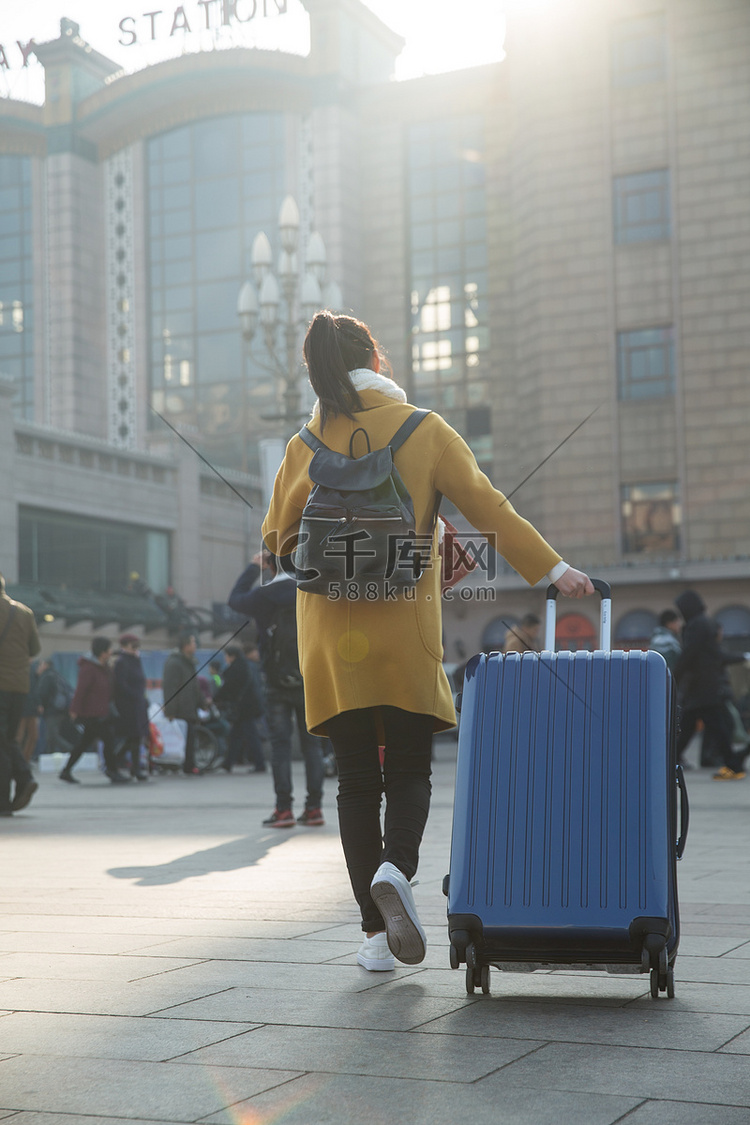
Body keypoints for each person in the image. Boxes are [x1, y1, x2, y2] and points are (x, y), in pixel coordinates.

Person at [261, 311, 594, 972]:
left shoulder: (304, 442)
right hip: (403, 628)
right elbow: (488, 505)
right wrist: (554, 569)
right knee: (410, 765)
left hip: (330, 632)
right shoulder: (424, 428)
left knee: (354, 778)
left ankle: (375, 941)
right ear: (376, 362)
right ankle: (397, 867)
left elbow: (276, 539)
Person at [228, 552, 325, 827]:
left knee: (280, 747)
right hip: (309, 680)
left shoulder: (263, 595)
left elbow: (234, 599)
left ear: (270, 565)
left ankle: (283, 810)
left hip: (275, 682)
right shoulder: (311, 591)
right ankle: (314, 808)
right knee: (313, 746)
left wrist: (252, 567)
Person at [673, 590, 750, 779]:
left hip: (700, 688)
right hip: (707, 687)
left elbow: (689, 654)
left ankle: (733, 764)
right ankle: (733, 763)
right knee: (703, 727)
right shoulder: (705, 623)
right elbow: (716, 655)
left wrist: (672, 675)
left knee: (706, 728)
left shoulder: (696, 625)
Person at [60, 636, 130, 784]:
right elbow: (81, 690)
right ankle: (112, 770)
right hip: (93, 713)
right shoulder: (89, 668)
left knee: (84, 742)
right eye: (109, 649)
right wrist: (74, 710)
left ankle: (66, 770)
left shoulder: (104, 668)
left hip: (102, 711)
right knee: (108, 740)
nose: (111, 652)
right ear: (102, 651)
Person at [0, 574, 40, 816]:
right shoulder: (24, 612)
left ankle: (21, 781)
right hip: (20, 686)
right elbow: (34, 649)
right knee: (8, 739)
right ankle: (18, 788)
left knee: (2, 742)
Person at [213, 643, 266, 772]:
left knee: (250, 736)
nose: (225, 658)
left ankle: (260, 764)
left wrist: (215, 699)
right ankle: (228, 763)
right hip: (247, 707)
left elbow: (229, 687)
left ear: (232, 656)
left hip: (245, 708)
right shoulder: (245, 665)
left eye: (226, 655)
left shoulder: (238, 667)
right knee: (235, 736)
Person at [161, 632, 201, 775]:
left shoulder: (188, 662)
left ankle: (189, 766)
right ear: (185, 646)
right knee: (181, 739)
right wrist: (170, 710)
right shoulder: (174, 663)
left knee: (190, 739)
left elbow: (194, 686)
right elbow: (170, 688)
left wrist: (202, 702)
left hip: (189, 707)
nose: (195, 645)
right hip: (179, 709)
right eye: (193, 642)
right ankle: (183, 765)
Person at [113, 634, 150, 781]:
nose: (136, 649)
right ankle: (129, 766)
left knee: (136, 737)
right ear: (125, 645)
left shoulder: (135, 660)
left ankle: (121, 762)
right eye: (133, 646)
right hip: (128, 705)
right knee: (133, 736)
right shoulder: (122, 661)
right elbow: (121, 684)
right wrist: (135, 695)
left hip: (138, 703)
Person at [37, 659, 76, 757]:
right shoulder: (57, 675)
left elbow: (43, 693)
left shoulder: (47, 676)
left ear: (46, 665)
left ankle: (74, 752)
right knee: (50, 736)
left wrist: (41, 704)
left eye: (40, 664)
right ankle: (50, 757)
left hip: (52, 711)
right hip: (61, 710)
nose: (39, 667)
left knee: (52, 736)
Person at [649, 609, 682, 673]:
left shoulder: (656, 638)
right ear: (669, 623)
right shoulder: (668, 641)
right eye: (677, 622)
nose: (679, 625)